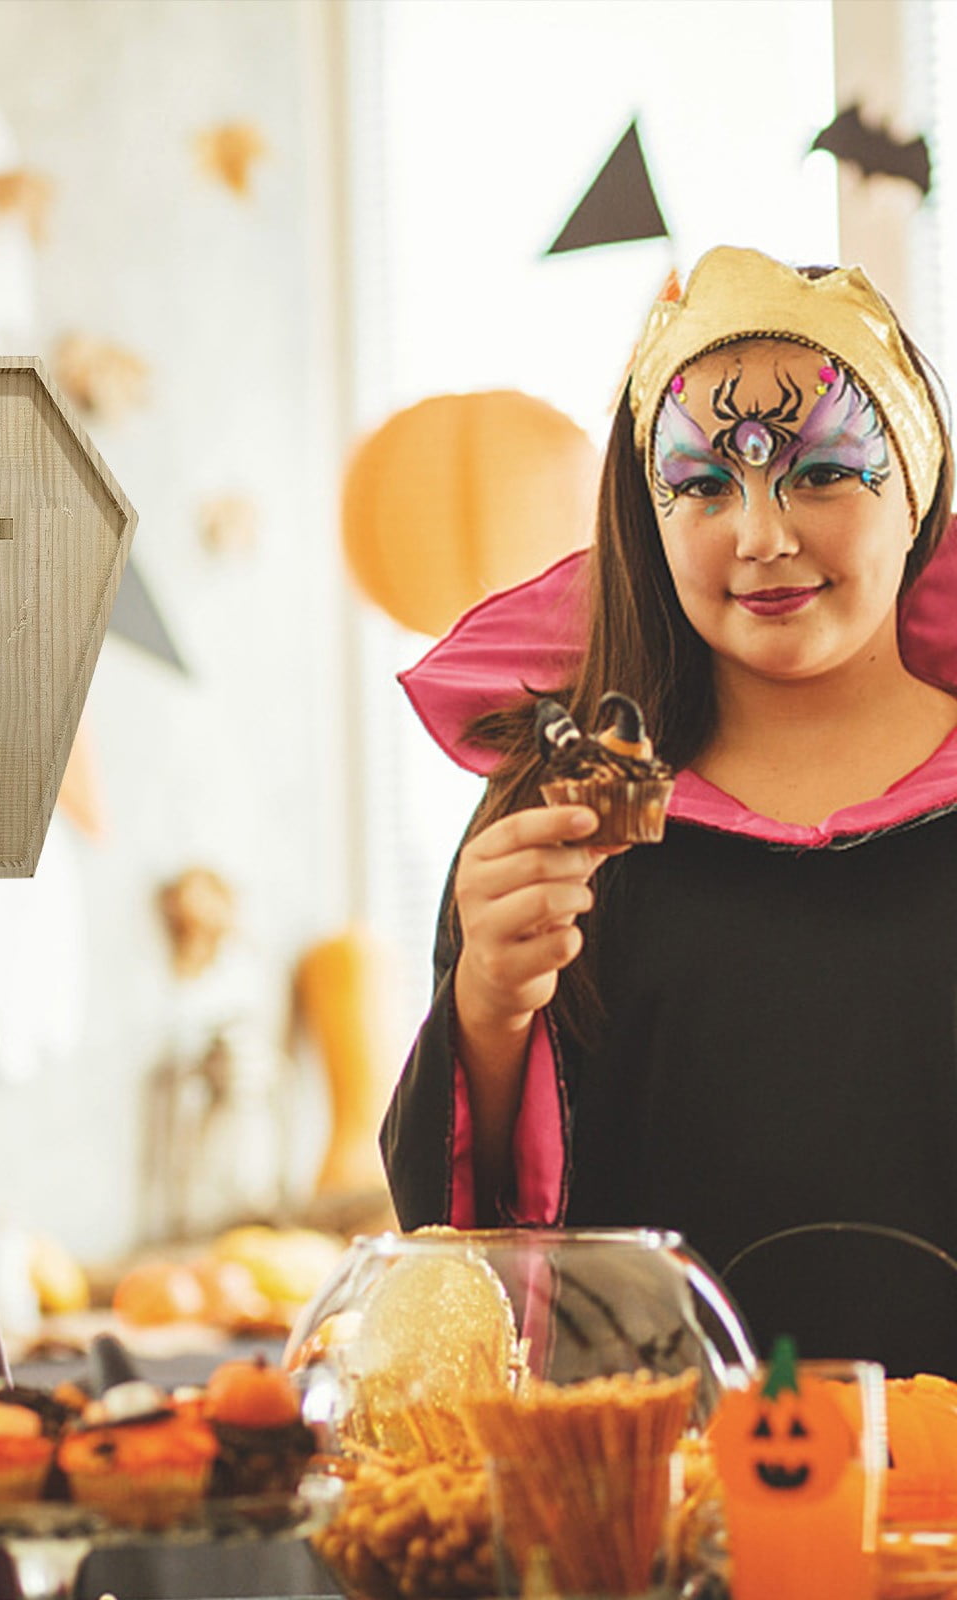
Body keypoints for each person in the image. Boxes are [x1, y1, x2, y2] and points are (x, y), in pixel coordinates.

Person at [382, 246, 957, 1363]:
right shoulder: (554, 818)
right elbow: (468, 1248)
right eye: (700, 483)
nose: (760, 534)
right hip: (644, 1485)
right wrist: (490, 1003)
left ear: (918, 484)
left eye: (823, 470)